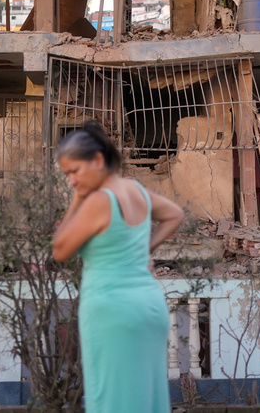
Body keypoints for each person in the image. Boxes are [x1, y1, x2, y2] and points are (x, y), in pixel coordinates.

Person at [52, 121, 185, 413]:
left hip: (114, 312)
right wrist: (143, 249)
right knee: (145, 401)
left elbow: (60, 249)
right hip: (149, 306)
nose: (71, 181)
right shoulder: (134, 189)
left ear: (97, 161)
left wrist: (76, 200)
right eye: (67, 175)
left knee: (114, 401)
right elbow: (174, 214)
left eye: (74, 172)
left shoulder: (99, 200)